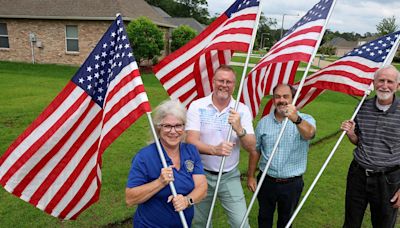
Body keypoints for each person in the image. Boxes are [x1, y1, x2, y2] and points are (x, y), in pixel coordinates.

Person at [186, 65, 257, 228]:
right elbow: (190, 141)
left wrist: (239, 129)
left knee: (241, 223)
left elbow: (251, 146)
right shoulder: (198, 106)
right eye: (221, 80)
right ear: (213, 81)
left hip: (229, 175)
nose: (224, 85)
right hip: (200, 174)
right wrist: (214, 150)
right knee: (200, 223)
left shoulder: (242, 110)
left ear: (234, 85)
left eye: (229, 82)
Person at [125, 100, 207, 227]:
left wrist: (187, 200)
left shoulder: (191, 151)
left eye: (178, 125)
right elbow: (130, 198)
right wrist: (160, 182)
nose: (173, 131)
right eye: (167, 126)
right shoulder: (144, 157)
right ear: (159, 128)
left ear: (184, 127)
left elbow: (202, 187)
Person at [247, 84, 316, 228]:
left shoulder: (305, 119)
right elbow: (256, 150)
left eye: (286, 96)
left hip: (291, 184)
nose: (281, 100)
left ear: (293, 98)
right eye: (277, 97)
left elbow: (310, 134)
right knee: (264, 218)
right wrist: (251, 176)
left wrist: (295, 119)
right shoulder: (264, 122)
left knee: (286, 222)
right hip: (266, 181)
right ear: (273, 99)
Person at [341, 65, 400, 228]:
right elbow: (359, 141)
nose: (385, 85)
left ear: (398, 86)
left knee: (383, 224)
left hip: (388, 179)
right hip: (357, 175)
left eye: (390, 81)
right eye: (381, 80)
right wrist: (352, 134)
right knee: (351, 223)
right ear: (374, 83)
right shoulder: (362, 108)